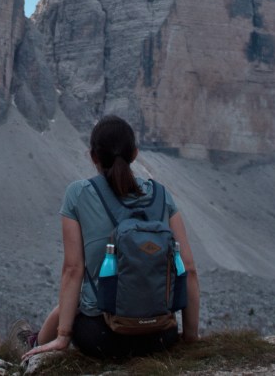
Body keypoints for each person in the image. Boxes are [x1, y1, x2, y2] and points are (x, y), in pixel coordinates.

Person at [23, 115, 200, 360]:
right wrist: (190, 336)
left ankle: (33, 343)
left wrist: (63, 336)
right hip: (161, 336)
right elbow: (188, 269)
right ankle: (33, 340)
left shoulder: (78, 193)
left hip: (103, 338)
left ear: (93, 156)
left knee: (83, 303)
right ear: (134, 154)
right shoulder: (162, 195)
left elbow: (73, 270)